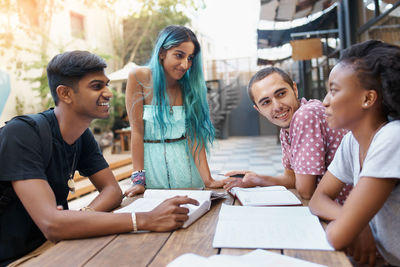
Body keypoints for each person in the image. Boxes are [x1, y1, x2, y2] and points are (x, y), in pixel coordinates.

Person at [0, 51, 199, 266]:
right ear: (65, 93)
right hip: (16, 257)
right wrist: (145, 219)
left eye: (107, 84)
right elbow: (51, 224)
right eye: (97, 86)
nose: (109, 93)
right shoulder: (21, 133)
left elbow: (112, 190)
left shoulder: (81, 135)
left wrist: (80, 217)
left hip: (54, 245)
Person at [309, 40, 400, 266]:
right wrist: (355, 223)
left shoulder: (392, 137)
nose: (325, 102)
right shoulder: (352, 140)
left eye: (333, 90)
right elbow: (317, 199)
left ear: (367, 98)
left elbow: (337, 236)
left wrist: (352, 225)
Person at [223, 67, 351, 201]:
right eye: (266, 102)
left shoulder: (305, 115)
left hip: (347, 211)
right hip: (329, 206)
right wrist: (256, 179)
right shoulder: (286, 129)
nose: (277, 106)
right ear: (259, 110)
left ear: (294, 90)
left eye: (281, 94)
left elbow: (306, 192)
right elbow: (291, 178)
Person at [124, 25, 223, 197]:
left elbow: (194, 136)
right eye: (179, 55)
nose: (185, 64)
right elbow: (137, 132)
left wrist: (208, 180)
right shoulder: (138, 77)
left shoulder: (190, 86)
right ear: (162, 53)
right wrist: (138, 180)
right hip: (152, 169)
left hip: (188, 172)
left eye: (190, 58)